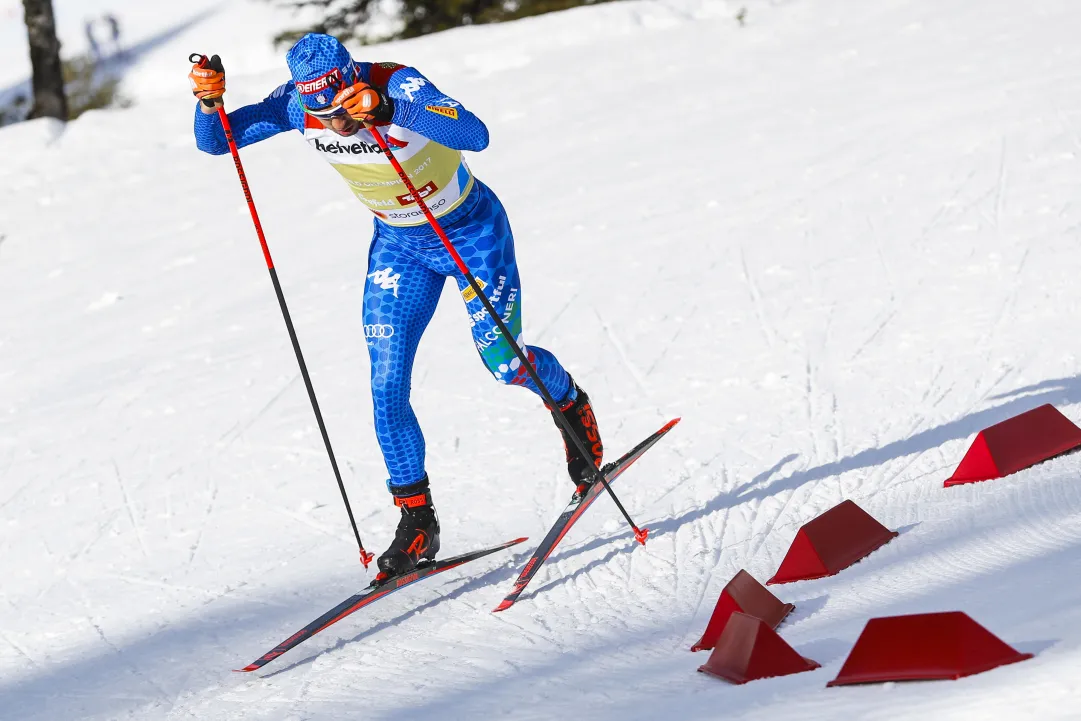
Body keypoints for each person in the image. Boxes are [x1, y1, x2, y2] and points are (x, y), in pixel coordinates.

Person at [189, 34, 604, 580]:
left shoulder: (396, 81)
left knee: (506, 364)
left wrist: (390, 110)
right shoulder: (299, 104)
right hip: (401, 246)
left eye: (342, 111)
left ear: (352, 81)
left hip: (468, 230)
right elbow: (218, 143)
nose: (336, 125)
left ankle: (570, 405)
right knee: (386, 384)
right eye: (321, 115)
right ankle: (417, 524)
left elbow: (473, 134)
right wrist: (209, 103)